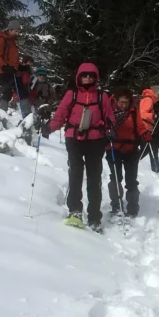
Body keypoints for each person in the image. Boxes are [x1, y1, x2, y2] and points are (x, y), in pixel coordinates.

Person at [48, 63, 115, 232]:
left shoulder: (102, 97)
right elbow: (61, 113)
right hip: (74, 138)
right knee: (76, 174)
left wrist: (111, 130)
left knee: (94, 177)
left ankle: (94, 216)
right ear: (79, 77)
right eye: (84, 75)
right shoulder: (72, 94)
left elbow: (109, 117)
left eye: (91, 76)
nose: (88, 78)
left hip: (96, 140)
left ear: (95, 78)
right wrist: (50, 127)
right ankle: (75, 211)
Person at [106, 87, 142, 218]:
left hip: (131, 149)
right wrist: (107, 133)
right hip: (113, 148)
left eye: (126, 102)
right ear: (116, 100)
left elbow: (140, 126)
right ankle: (116, 205)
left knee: (131, 180)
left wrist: (145, 134)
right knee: (116, 177)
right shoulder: (108, 111)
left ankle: (132, 207)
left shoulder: (133, 112)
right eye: (121, 102)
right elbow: (102, 125)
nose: (123, 105)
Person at [139, 84, 159, 174]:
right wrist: (154, 115)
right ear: (156, 93)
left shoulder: (146, 98)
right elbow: (142, 114)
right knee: (150, 149)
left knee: (149, 149)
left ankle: (156, 170)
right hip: (145, 127)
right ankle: (156, 170)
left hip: (145, 127)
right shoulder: (148, 99)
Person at [31, 68, 59, 138]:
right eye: (40, 75)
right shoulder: (33, 84)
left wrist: (50, 103)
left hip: (46, 107)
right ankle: (35, 137)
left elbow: (54, 96)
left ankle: (45, 139)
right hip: (35, 106)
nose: (42, 76)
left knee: (45, 123)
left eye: (43, 75)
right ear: (37, 75)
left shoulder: (48, 85)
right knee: (35, 122)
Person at [13, 54, 34, 119]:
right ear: (25, 62)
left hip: (26, 92)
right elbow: (17, 79)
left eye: (31, 63)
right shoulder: (21, 69)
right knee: (25, 108)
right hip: (21, 92)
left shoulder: (28, 72)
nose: (30, 64)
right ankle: (25, 121)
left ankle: (28, 121)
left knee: (27, 107)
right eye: (29, 62)